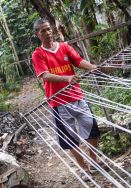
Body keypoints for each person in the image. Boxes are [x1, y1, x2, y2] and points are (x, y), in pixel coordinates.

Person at [31, 18, 104, 180]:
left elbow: (78, 61)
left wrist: (93, 67)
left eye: (49, 29)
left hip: (77, 96)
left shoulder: (64, 47)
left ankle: (94, 161)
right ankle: (84, 168)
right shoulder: (38, 54)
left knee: (91, 129)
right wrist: (67, 78)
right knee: (70, 138)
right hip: (58, 102)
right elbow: (46, 76)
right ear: (38, 34)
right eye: (43, 31)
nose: (48, 33)